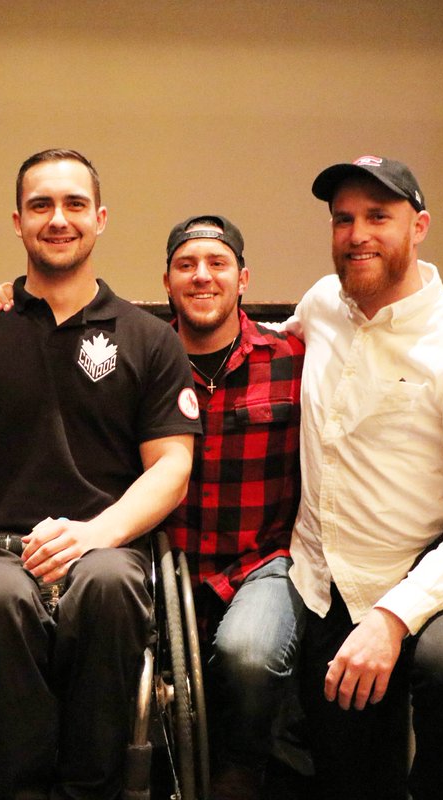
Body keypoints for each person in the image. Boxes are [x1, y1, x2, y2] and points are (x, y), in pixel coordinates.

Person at [0, 148, 201, 800]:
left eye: (72, 204)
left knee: (108, 590)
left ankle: (91, 790)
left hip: (109, 549)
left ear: (99, 218)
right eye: (41, 205)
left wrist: (96, 534)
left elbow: (173, 467)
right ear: (17, 221)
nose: (57, 219)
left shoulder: (150, 338)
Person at [286, 156, 443, 799]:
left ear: (418, 227)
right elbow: (252, 351)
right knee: (351, 780)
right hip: (329, 576)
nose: (357, 233)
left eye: (378, 217)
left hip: (431, 571)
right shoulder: (321, 305)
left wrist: (392, 619)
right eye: (343, 219)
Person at [162, 215, 306, 798]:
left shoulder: (294, 358)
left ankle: (241, 766)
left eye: (217, 264)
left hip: (260, 561)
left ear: (243, 278)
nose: (203, 277)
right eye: (187, 265)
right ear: (167, 281)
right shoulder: (143, 359)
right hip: (163, 563)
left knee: (248, 655)